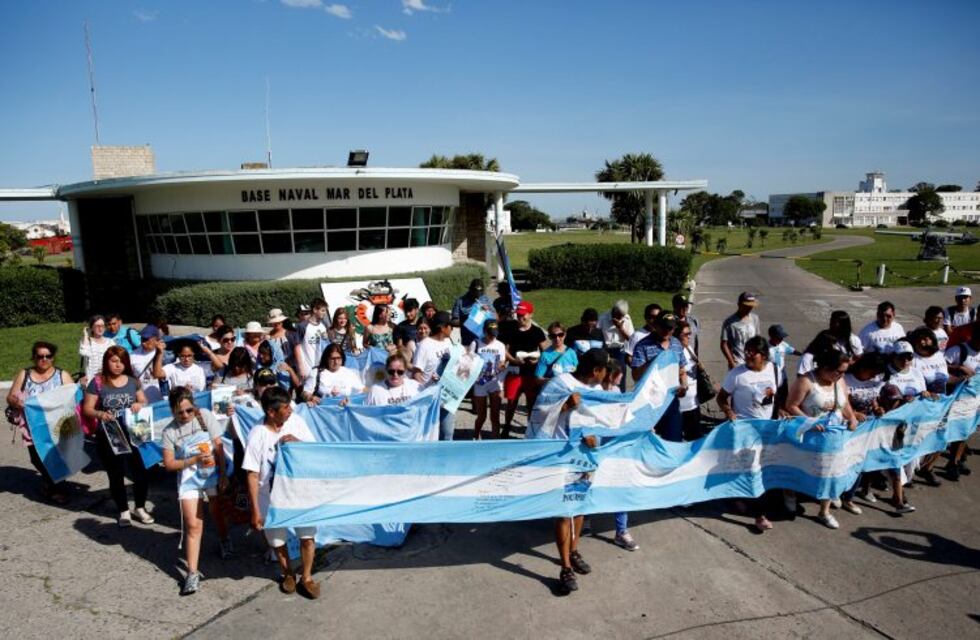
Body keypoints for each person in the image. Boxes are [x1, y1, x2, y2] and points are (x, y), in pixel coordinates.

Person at [528, 348, 606, 594]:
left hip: (584, 459)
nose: (606, 374)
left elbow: (601, 422)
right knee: (563, 513)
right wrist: (564, 406)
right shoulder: (560, 383)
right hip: (561, 458)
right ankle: (565, 568)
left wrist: (594, 438)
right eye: (604, 370)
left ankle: (573, 550)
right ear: (596, 370)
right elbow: (537, 414)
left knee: (579, 507)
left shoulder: (598, 390)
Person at [243, 386, 320, 599]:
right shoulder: (257, 435)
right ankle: (287, 574)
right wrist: (255, 511)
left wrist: (297, 443)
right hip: (271, 499)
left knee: (307, 537)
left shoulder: (296, 422)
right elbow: (252, 474)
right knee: (277, 541)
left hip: (300, 495)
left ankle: (307, 577)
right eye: (286, 408)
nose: (290, 411)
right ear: (271, 412)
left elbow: (315, 450)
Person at [159, 387, 231, 595]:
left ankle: (224, 539)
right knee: (193, 524)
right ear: (172, 411)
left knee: (216, 511)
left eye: (188, 410)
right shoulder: (169, 432)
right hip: (189, 480)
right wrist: (193, 460)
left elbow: (219, 447)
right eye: (179, 412)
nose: (185, 415)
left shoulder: (204, 416)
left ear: (194, 406)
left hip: (211, 475)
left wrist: (223, 474)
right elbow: (169, 464)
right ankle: (192, 573)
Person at [785, 350, 861, 529]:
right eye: (839, 371)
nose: (842, 375)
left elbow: (844, 403)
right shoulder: (806, 381)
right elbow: (791, 405)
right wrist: (809, 422)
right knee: (800, 468)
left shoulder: (839, 381)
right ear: (826, 367)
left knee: (830, 471)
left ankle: (824, 511)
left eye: (844, 372)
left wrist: (852, 417)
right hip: (809, 436)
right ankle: (789, 493)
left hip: (833, 437)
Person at [81, 346, 153, 527]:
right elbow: (87, 409)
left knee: (141, 472)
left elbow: (144, 400)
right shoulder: (97, 382)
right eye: (114, 361)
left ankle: (140, 507)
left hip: (135, 431)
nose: (118, 365)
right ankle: (123, 511)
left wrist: (139, 404)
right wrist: (100, 414)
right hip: (109, 433)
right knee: (116, 474)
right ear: (106, 362)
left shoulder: (133, 381)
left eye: (122, 361)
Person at [716, 336, 779, 532]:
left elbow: (779, 394)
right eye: (746, 351)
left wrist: (782, 411)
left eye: (753, 352)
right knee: (753, 469)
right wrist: (729, 412)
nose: (748, 355)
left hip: (767, 430)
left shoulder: (774, 369)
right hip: (745, 431)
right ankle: (760, 515)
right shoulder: (737, 374)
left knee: (761, 469)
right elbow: (721, 398)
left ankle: (737, 497)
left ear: (764, 355)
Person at [6, 341, 75, 504]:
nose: (44, 359)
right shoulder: (25, 374)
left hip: (57, 425)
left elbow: (73, 397)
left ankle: (56, 488)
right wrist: (16, 402)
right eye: (40, 356)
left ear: (53, 357)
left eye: (48, 356)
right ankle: (52, 482)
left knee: (56, 457)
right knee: (37, 459)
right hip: (33, 426)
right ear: (34, 357)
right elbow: (10, 397)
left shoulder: (62, 375)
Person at [598, 359, 639, 552]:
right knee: (587, 484)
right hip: (595, 447)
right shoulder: (593, 392)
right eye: (619, 374)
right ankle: (583, 519)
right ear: (610, 375)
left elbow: (625, 416)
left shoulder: (616, 392)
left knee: (620, 485)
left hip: (614, 448)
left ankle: (621, 531)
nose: (622, 378)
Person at [630, 313, 688, 442]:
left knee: (674, 441)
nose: (667, 331)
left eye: (671, 328)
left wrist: (684, 386)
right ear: (655, 326)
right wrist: (652, 363)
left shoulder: (676, 344)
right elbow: (635, 375)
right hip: (649, 404)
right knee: (649, 443)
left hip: (671, 402)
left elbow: (682, 370)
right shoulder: (642, 346)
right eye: (664, 327)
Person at [500, 300, 547, 438]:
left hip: (531, 373)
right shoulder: (511, 329)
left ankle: (530, 430)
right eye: (519, 314)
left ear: (531, 314)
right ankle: (507, 426)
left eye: (523, 315)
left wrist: (538, 359)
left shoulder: (537, 331)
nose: (520, 317)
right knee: (511, 402)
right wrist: (513, 360)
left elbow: (545, 352)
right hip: (514, 371)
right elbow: (504, 350)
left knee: (531, 403)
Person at [943, 321, 980, 480]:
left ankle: (954, 462)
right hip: (955, 399)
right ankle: (928, 466)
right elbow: (940, 367)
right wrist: (958, 368)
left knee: (965, 431)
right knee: (949, 432)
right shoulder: (958, 350)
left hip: (974, 400)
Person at [411, 311, 455, 440]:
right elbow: (416, 373)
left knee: (447, 434)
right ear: (442, 328)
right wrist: (427, 389)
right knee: (428, 435)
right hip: (429, 399)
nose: (452, 328)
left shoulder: (448, 342)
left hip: (447, 397)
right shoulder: (424, 345)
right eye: (450, 325)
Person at [470, 319, 508, 439]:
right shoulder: (475, 343)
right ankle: (476, 436)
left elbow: (502, 362)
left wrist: (501, 367)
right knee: (482, 416)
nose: (492, 337)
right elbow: (468, 362)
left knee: (495, 416)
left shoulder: (500, 345)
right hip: (480, 383)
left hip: (495, 383)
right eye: (490, 334)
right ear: (484, 331)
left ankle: (496, 440)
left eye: (495, 334)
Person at [676, 320, 704, 441]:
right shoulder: (672, 353)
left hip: (693, 404)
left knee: (695, 440)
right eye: (686, 334)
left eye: (690, 333)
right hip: (680, 407)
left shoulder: (689, 348)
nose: (689, 336)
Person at [598, 301, 633, 392]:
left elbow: (631, 339)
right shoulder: (603, 318)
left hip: (620, 350)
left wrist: (620, 328)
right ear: (614, 311)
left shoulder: (627, 319)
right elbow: (596, 334)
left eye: (622, 316)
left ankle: (621, 392)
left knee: (620, 371)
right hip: (606, 349)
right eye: (619, 315)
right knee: (605, 372)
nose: (621, 318)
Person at [721, 292, 761, 369]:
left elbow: (758, 340)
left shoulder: (755, 318)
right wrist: (731, 362)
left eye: (751, 306)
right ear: (739, 304)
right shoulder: (729, 322)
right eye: (746, 306)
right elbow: (724, 344)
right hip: (738, 362)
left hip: (752, 361)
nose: (749, 308)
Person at [293, 298, 329, 379]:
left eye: (325, 311)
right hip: (308, 367)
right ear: (315, 310)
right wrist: (301, 366)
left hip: (323, 365)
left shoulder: (324, 324)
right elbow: (297, 346)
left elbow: (327, 344)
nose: (325, 313)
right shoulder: (302, 326)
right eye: (323, 310)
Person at [768, 324, 800, 414]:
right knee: (773, 399)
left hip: (783, 378)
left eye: (782, 337)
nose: (781, 339)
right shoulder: (766, 348)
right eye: (779, 337)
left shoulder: (783, 345)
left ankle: (784, 414)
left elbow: (792, 351)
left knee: (784, 398)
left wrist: (803, 354)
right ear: (772, 336)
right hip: (771, 379)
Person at [451, 278, 492, 348]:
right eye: (475, 293)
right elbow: (453, 322)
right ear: (470, 290)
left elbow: (495, 317)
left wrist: (488, 312)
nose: (477, 296)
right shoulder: (460, 301)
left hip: (484, 341)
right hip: (468, 341)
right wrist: (468, 320)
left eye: (479, 294)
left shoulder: (486, 299)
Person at [129, 325, 165, 402]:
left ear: (156, 339)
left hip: (161, 400)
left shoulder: (166, 354)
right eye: (142, 339)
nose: (143, 343)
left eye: (146, 340)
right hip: (142, 400)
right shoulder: (133, 355)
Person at [79, 315, 113, 383]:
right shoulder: (87, 341)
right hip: (90, 380)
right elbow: (84, 353)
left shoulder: (110, 342)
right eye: (97, 326)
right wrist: (86, 335)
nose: (100, 328)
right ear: (91, 328)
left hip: (107, 378)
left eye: (102, 326)